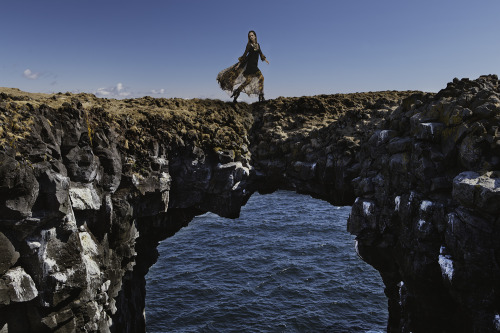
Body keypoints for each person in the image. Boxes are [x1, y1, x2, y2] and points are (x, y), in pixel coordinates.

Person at [217, 30, 269, 103]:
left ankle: (237, 92)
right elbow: (244, 55)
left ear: (255, 36)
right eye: (249, 36)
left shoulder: (257, 45)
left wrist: (265, 59)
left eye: (252, 35)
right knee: (261, 78)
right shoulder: (249, 45)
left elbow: (260, 53)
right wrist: (238, 64)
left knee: (247, 81)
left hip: (254, 65)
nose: (251, 37)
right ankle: (261, 96)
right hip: (250, 66)